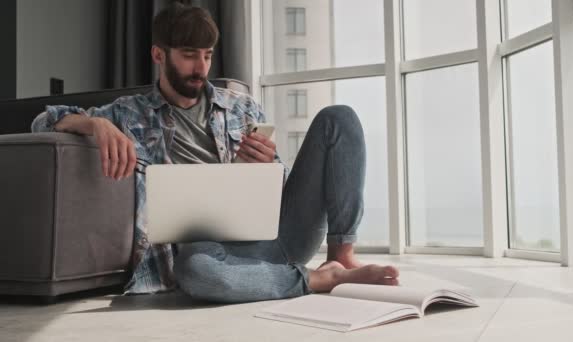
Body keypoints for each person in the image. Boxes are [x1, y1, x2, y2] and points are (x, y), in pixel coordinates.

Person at [31, 3, 399, 303]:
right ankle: (318, 279)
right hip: (207, 252)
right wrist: (96, 125)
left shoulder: (242, 107)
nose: (201, 68)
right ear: (159, 54)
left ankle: (342, 255)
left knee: (340, 118)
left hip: (277, 234)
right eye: (190, 56)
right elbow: (43, 122)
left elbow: (282, 186)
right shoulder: (129, 113)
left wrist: (267, 167)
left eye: (207, 56)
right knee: (194, 274)